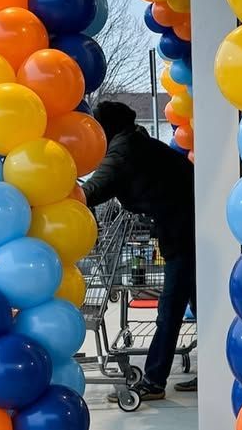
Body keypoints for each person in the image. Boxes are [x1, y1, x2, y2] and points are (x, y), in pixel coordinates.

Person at [82, 101, 196, 400]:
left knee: (170, 308)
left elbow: (95, 189)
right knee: (202, 305)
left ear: (106, 129)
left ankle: (154, 381)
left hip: (182, 232)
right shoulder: (141, 143)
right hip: (192, 227)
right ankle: (214, 368)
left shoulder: (123, 151)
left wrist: (60, 190)